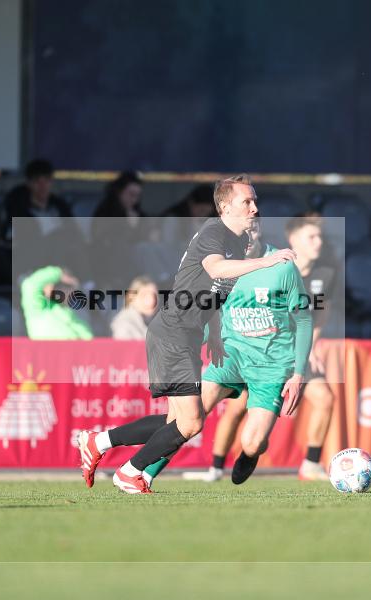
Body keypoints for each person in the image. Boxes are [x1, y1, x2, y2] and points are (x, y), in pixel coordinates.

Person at [77, 174, 297, 494]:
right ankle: (130, 472)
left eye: (255, 201)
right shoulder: (214, 231)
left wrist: (217, 334)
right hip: (174, 332)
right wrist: (267, 261)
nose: (254, 207)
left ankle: (97, 441)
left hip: (187, 334)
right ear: (224, 207)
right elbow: (216, 270)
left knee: (178, 422)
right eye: (246, 201)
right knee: (191, 423)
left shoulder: (235, 243)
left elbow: (215, 293)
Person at [185, 214, 340, 481]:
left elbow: (318, 315)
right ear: (293, 239)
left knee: (325, 399)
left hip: (290, 353)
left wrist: (312, 345)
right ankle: (216, 468)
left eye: (320, 237)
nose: (318, 243)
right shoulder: (269, 264)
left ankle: (309, 463)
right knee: (235, 408)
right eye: (311, 237)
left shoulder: (325, 274)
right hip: (253, 347)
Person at [90, 171, 147, 289]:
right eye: (130, 194)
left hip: (135, 265)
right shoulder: (105, 211)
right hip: (107, 264)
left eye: (137, 196)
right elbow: (101, 239)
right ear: (119, 192)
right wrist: (129, 227)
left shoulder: (137, 213)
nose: (134, 200)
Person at [19, 265, 92, 340]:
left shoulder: (75, 316)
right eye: (64, 287)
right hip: (45, 351)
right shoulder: (38, 308)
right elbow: (30, 285)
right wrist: (59, 274)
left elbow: (89, 340)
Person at [110, 275, 158, 340]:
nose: (151, 300)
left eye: (154, 295)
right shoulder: (124, 326)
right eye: (144, 296)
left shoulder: (154, 321)